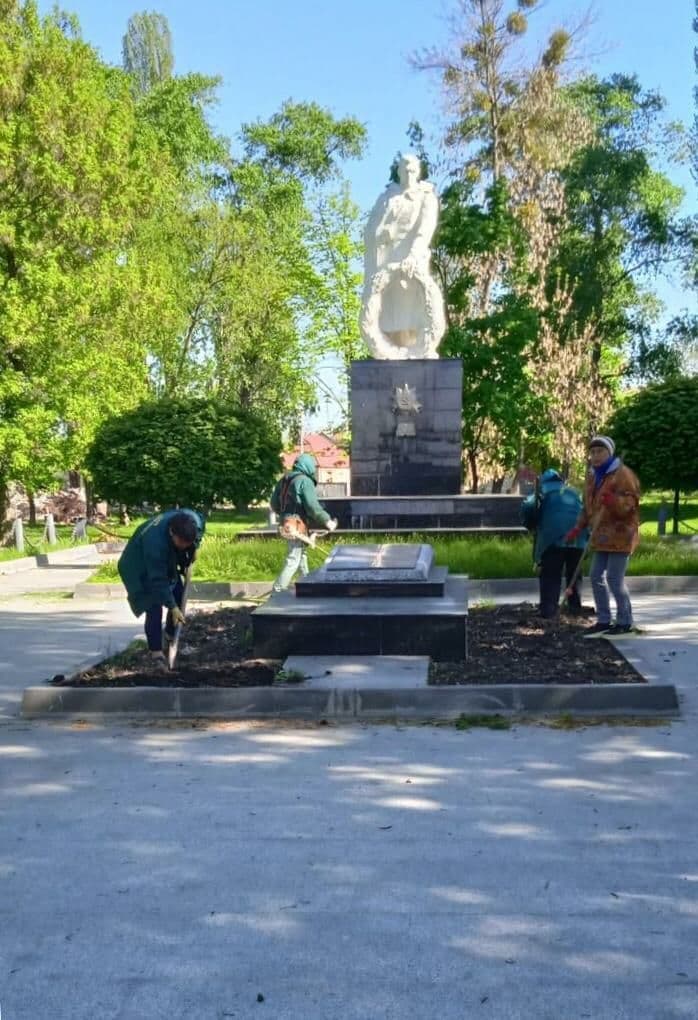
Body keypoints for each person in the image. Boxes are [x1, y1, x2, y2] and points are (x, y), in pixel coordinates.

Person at [360, 153, 446, 360]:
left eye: (412, 170)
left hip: (411, 262)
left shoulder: (426, 197)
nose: (408, 173)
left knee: (411, 310)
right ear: (398, 172)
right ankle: (390, 350)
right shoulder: (386, 198)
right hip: (385, 261)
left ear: (418, 172)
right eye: (404, 169)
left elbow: (425, 229)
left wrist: (413, 256)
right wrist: (382, 233)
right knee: (389, 314)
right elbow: (370, 229)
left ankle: (418, 349)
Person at [565, 436, 641, 638]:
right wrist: (578, 527)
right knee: (596, 576)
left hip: (621, 534)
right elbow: (588, 507)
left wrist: (615, 501)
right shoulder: (593, 476)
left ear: (610, 453)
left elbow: (631, 503)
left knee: (615, 579)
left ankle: (625, 621)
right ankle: (604, 620)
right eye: (593, 452)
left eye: (600, 451)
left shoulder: (622, 474)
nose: (596, 456)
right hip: (601, 536)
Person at [118, 508, 205, 669]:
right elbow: (158, 581)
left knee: (178, 593)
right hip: (139, 567)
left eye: (188, 543)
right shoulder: (155, 545)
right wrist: (172, 607)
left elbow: (200, 523)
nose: (184, 547)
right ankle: (156, 652)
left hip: (165, 559)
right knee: (154, 606)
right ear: (172, 533)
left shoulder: (192, 521)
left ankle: (170, 637)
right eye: (181, 543)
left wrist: (195, 547)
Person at [520, 469, 588, 618]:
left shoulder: (542, 490)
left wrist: (530, 524)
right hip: (578, 537)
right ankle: (575, 610)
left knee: (551, 574)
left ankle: (549, 611)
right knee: (574, 574)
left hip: (553, 538)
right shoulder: (573, 491)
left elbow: (528, 506)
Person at [270, 454, 338, 592]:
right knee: (293, 560)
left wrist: (285, 515)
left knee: (302, 557)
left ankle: (306, 586)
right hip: (297, 526)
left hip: (287, 524)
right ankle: (276, 592)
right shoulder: (304, 481)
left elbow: (274, 504)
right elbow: (312, 506)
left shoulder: (283, 480)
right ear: (308, 466)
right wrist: (327, 520)